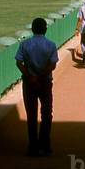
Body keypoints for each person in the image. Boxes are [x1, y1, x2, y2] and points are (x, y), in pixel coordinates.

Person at [15, 17, 59, 156]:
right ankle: (45, 144)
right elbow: (52, 65)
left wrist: (31, 76)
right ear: (45, 29)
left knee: (31, 115)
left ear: (32, 29)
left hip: (29, 83)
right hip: (45, 82)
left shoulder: (25, 44)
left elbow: (19, 62)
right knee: (46, 114)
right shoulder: (51, 45)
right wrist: (40, 76)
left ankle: (33, 146)